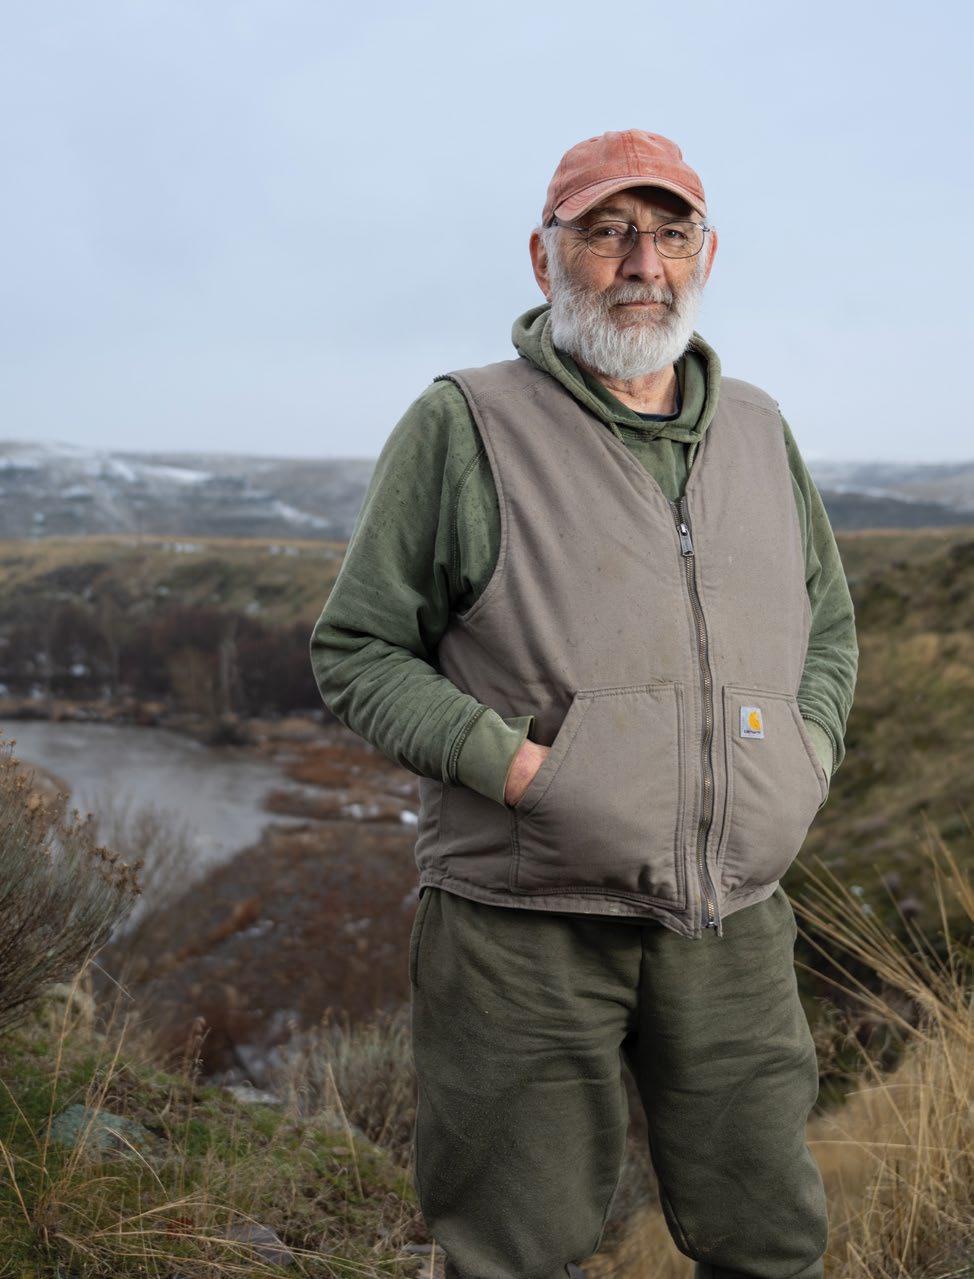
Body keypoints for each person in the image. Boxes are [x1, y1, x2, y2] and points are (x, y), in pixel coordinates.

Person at [309, 129, 858, 1279]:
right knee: (513, 1248)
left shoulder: (757, 429)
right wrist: (523, 771)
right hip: (523, 920)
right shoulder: (464, 424)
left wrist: (801, 757)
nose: (640, 262)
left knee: (768, 1238)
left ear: (706, 254)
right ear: (542, 254)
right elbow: (358, 650)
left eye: (667, 233)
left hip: (732, 920)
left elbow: (827, 631)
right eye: (605, 231)